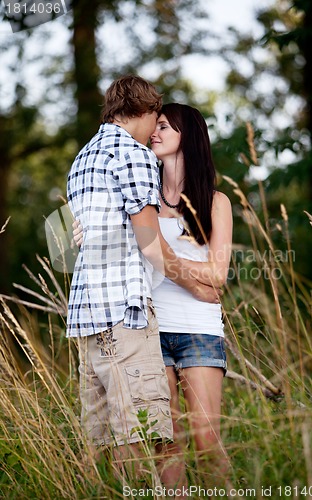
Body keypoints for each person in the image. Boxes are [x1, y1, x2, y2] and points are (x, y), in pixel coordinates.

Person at [66, 75, 220, 484]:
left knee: (122, 435)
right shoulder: (132, 156)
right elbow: (151, 246)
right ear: (142, 111)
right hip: (127, 312)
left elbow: (80, 237)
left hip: (89, 315)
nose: (155, 129)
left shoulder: (83, 157)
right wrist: (196, 285)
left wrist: (87, 235)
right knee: (146, 434)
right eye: (156, 118)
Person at [149, 103, 233, 485]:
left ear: (188, 137)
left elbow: (218, 274)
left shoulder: (215, 202)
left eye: (164, 126)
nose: (155, 131)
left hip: (199, 330)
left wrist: (163, 260)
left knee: (205, 440)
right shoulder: (144, 199)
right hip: (149, 330)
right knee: (166, 443)